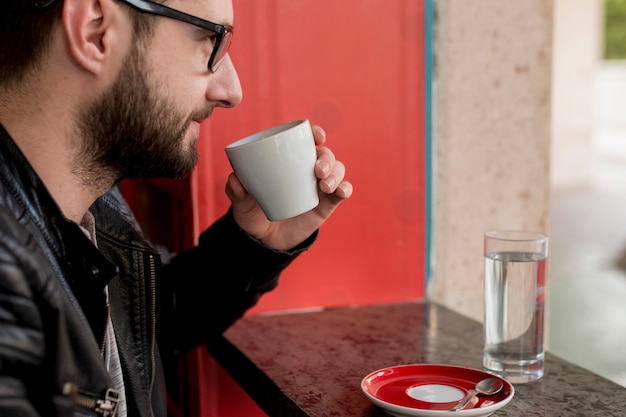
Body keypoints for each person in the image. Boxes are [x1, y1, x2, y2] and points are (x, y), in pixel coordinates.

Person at [0, 0, 353, 415]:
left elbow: (141, 326)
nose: (232, 91)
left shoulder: (92, 201)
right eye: (211, 39)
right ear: (94, 30)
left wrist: (252, 246)